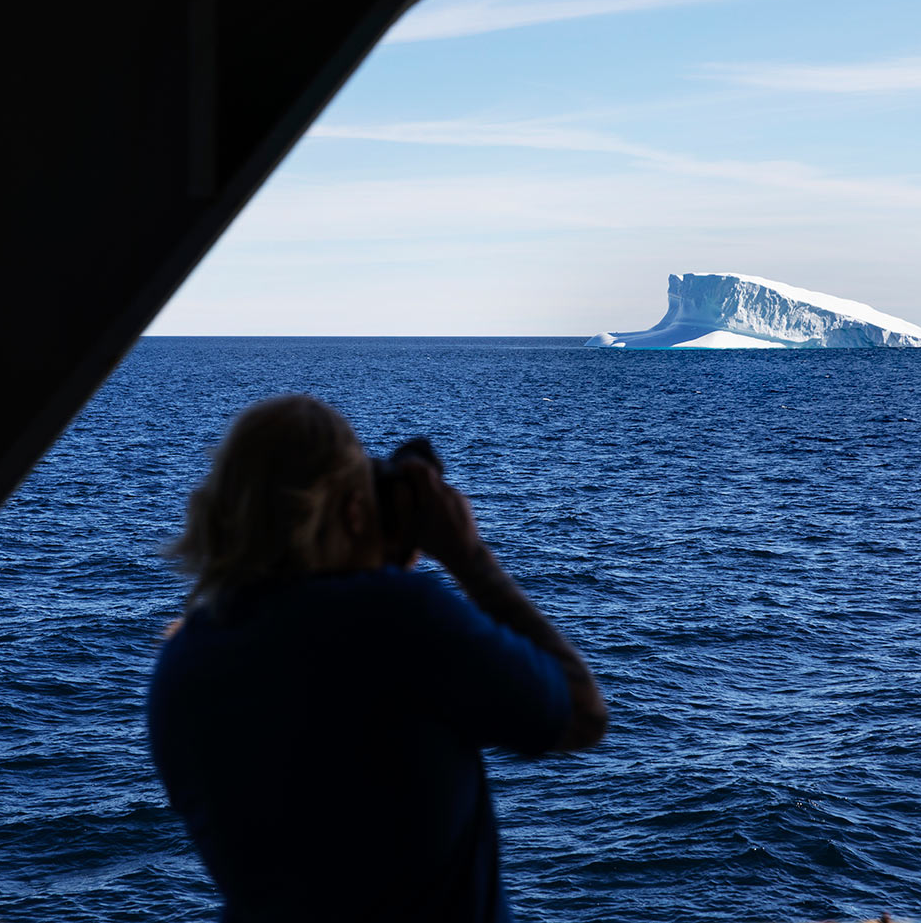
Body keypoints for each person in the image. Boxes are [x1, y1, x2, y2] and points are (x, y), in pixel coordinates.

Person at [148, 394, 607, 923]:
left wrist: (373, 562)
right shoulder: (397, 618)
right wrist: (467, 556)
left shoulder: (180, 663)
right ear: (352, 510)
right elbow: (580, 714)